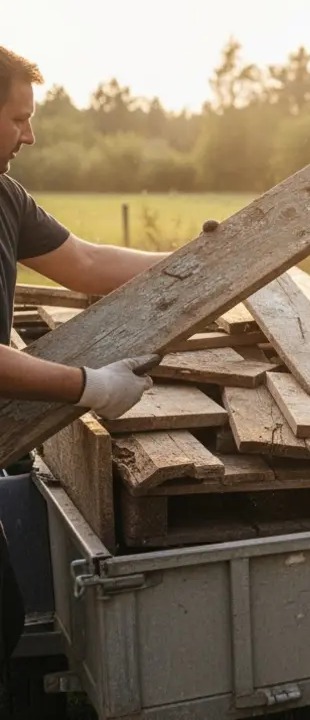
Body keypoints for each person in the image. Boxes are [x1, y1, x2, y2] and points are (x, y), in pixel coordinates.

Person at [0, 45, 168, 676]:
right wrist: (90, 385)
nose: (30, 135)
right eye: (18, 119)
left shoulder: (5, 198)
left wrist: (200, 261)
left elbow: (87, 266)